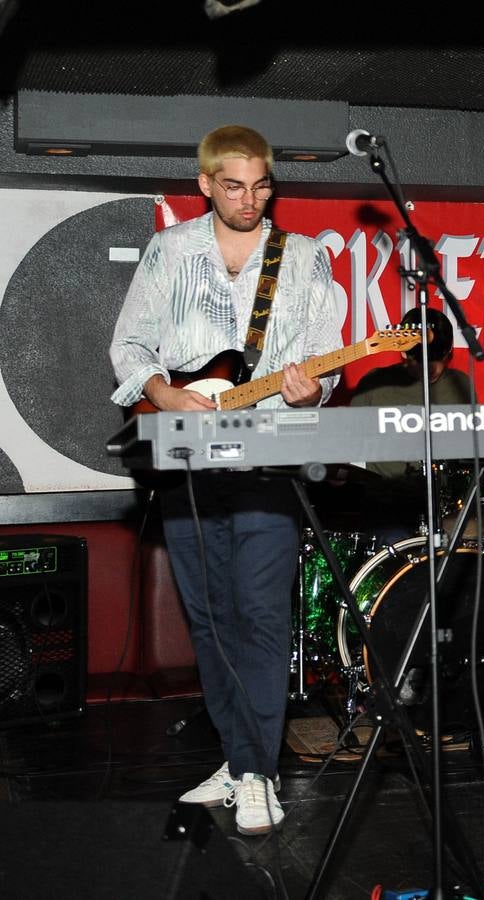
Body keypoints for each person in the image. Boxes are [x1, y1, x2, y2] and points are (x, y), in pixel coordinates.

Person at [109, 124, 341, 834]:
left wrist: (314, 391)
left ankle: (257, 772)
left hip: (267, 460)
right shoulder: (170, 251)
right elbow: (128, 344)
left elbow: (327, 361)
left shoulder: (303, 259)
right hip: (186, 458)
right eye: (234, 186)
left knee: (262, 616)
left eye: (262, 185)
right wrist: (164, 390)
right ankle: (239, 756)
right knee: (210, 621)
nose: (250, 199)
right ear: (206, 183)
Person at [348, 306, 484, 591]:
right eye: (420, 362)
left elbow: (474, 455)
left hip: (448, 510)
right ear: (403, 353)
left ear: (450, 354)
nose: (429, 370)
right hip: (392, 507)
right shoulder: (374, 385)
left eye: (437, 361)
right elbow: (351, 456)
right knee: (391, 547)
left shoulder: (460, 385)